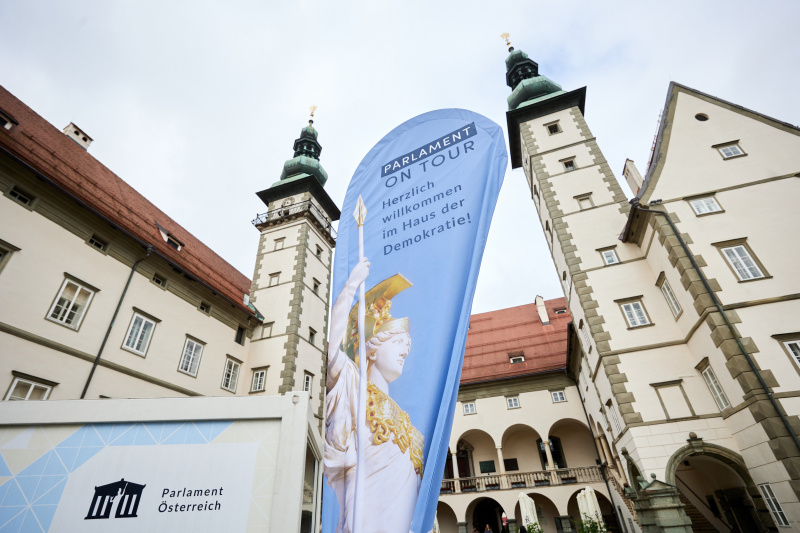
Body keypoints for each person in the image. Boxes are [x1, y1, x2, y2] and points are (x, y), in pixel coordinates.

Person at [324, 259, 424, 533]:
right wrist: (351, 286)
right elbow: (332, 350)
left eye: (408, 345)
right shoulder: (354, 387)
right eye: (398, 342)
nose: (405, 351)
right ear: (372, 349)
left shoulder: (409, 426)